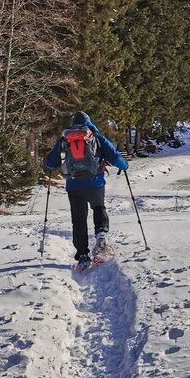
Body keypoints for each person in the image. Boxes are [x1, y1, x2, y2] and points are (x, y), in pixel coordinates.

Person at [45, 111, 129, 270]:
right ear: (89, 122)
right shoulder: (96, 137)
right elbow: (115, 156)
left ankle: (83, 255)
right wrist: (124, 166)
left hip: (74, 186)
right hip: (95, 183)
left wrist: (49, 165)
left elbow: (51, 163)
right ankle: (101, 237)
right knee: (99, 208)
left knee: (78, 219)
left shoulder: (64, 139)